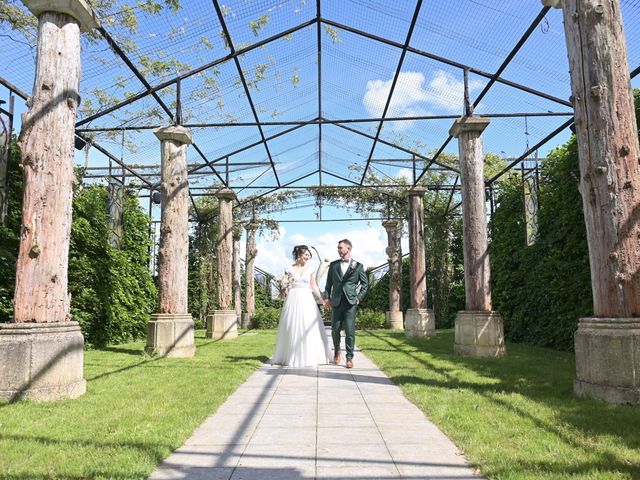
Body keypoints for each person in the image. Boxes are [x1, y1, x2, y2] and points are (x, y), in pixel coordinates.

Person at [271, 245, 332, 367]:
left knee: (307, 325)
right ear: (299, 255)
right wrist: (283, 287)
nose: (308, 257)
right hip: (292, 299)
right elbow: (284, 286)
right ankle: (291, 355)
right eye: (306, 255)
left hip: (306, 299)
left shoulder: (310, 269)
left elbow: (313, 286)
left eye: (309, 256)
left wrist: (322, 299)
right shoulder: (288, 268)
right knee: (291, 325)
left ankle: (309, 356)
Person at [323, 239, 369, 369]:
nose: (338, 250)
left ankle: (349, 358)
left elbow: (365, 284)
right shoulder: (334, 265)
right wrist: (327, 298)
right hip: (336, 302)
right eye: (338, 248)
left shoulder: (358, 266)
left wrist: (359, 298)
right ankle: (337, 351)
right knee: (334, 330)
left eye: (340, 247)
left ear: (348, 248)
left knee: (350, 330)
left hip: (350, 303)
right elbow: (328, 284)